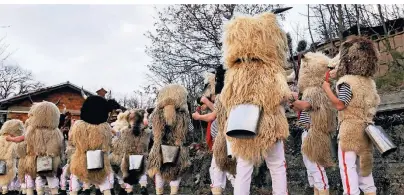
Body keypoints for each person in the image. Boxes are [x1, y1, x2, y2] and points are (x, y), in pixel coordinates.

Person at [322, 36, 380, 195]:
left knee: (348, 171)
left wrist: (327, 89)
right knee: (366, 174)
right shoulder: (369, 83)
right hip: (366, 132)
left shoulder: (347, 82)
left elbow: (341, 104)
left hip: (349, 133)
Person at [289, 52, 337, 195]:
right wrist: (294, 104)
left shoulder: (316, 90)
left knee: (317, 171)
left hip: (314, 134)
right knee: (312, 171)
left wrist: (291, 100)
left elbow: (307, 106)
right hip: (308, 133)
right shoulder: (312, 90)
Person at [192, 67, 235, 195]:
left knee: (223, 168)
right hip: (225, 137)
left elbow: (215, 114)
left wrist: (199, 116)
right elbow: (218, 111)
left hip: (224, 137)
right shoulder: (229, 96)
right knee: (219, 167)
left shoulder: (225, 96)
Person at [147, 84, 192, 195]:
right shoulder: (184, 116)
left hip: (160, 148)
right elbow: (190, 132)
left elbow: (151, 131)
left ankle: (159, 193)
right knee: (176, 172)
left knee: (159, 171)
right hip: (178, 148)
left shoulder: (156, 115)